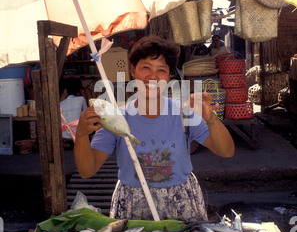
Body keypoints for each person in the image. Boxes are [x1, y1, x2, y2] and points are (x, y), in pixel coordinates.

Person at [74, 36, 235, 222]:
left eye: (161, 70)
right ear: (133, 70)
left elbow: (227, 151)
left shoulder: (184, 113)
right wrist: (82, 134)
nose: (153, 77)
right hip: (132, 205)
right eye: (146, 68)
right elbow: (87, 171)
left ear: (169, 76)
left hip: (182, 203)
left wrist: (210, 118)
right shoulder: (115, 118)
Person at [60, 77, 87, 146]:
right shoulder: (81, 99)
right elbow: (86, 114)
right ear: (79, 91)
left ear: (65, 91)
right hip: (78, 137)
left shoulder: (60, 104)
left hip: (64, 136)